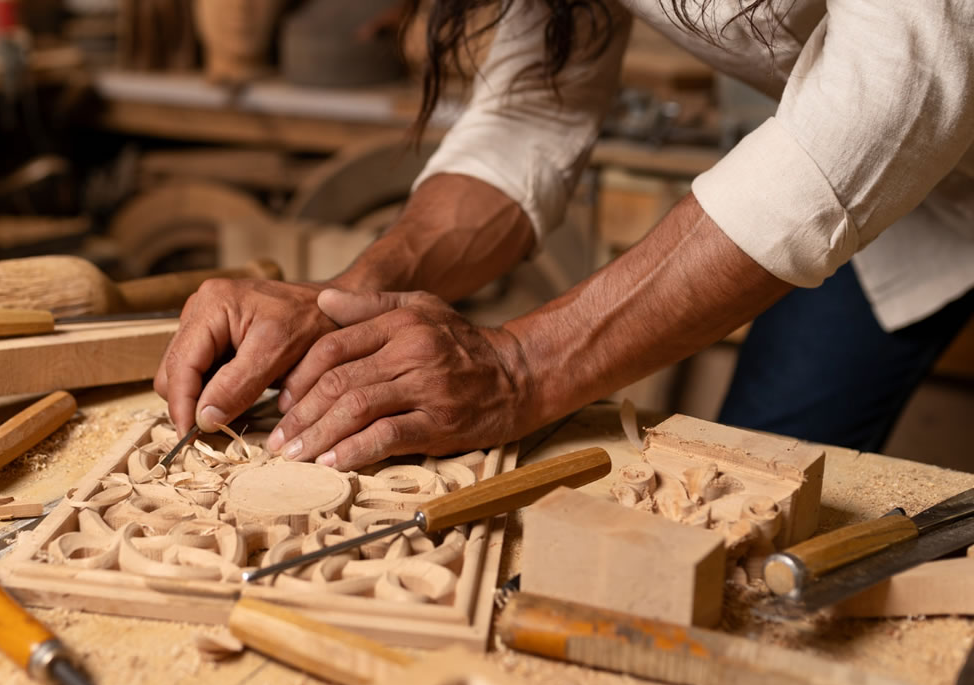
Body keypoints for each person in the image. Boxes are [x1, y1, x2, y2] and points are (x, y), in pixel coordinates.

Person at [155, 0, 974, 470]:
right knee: (746, 481)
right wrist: (343, 301)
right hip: (917, 198)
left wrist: (524, 366)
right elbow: (533, 113)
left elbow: (898, 86)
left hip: (896, 136)